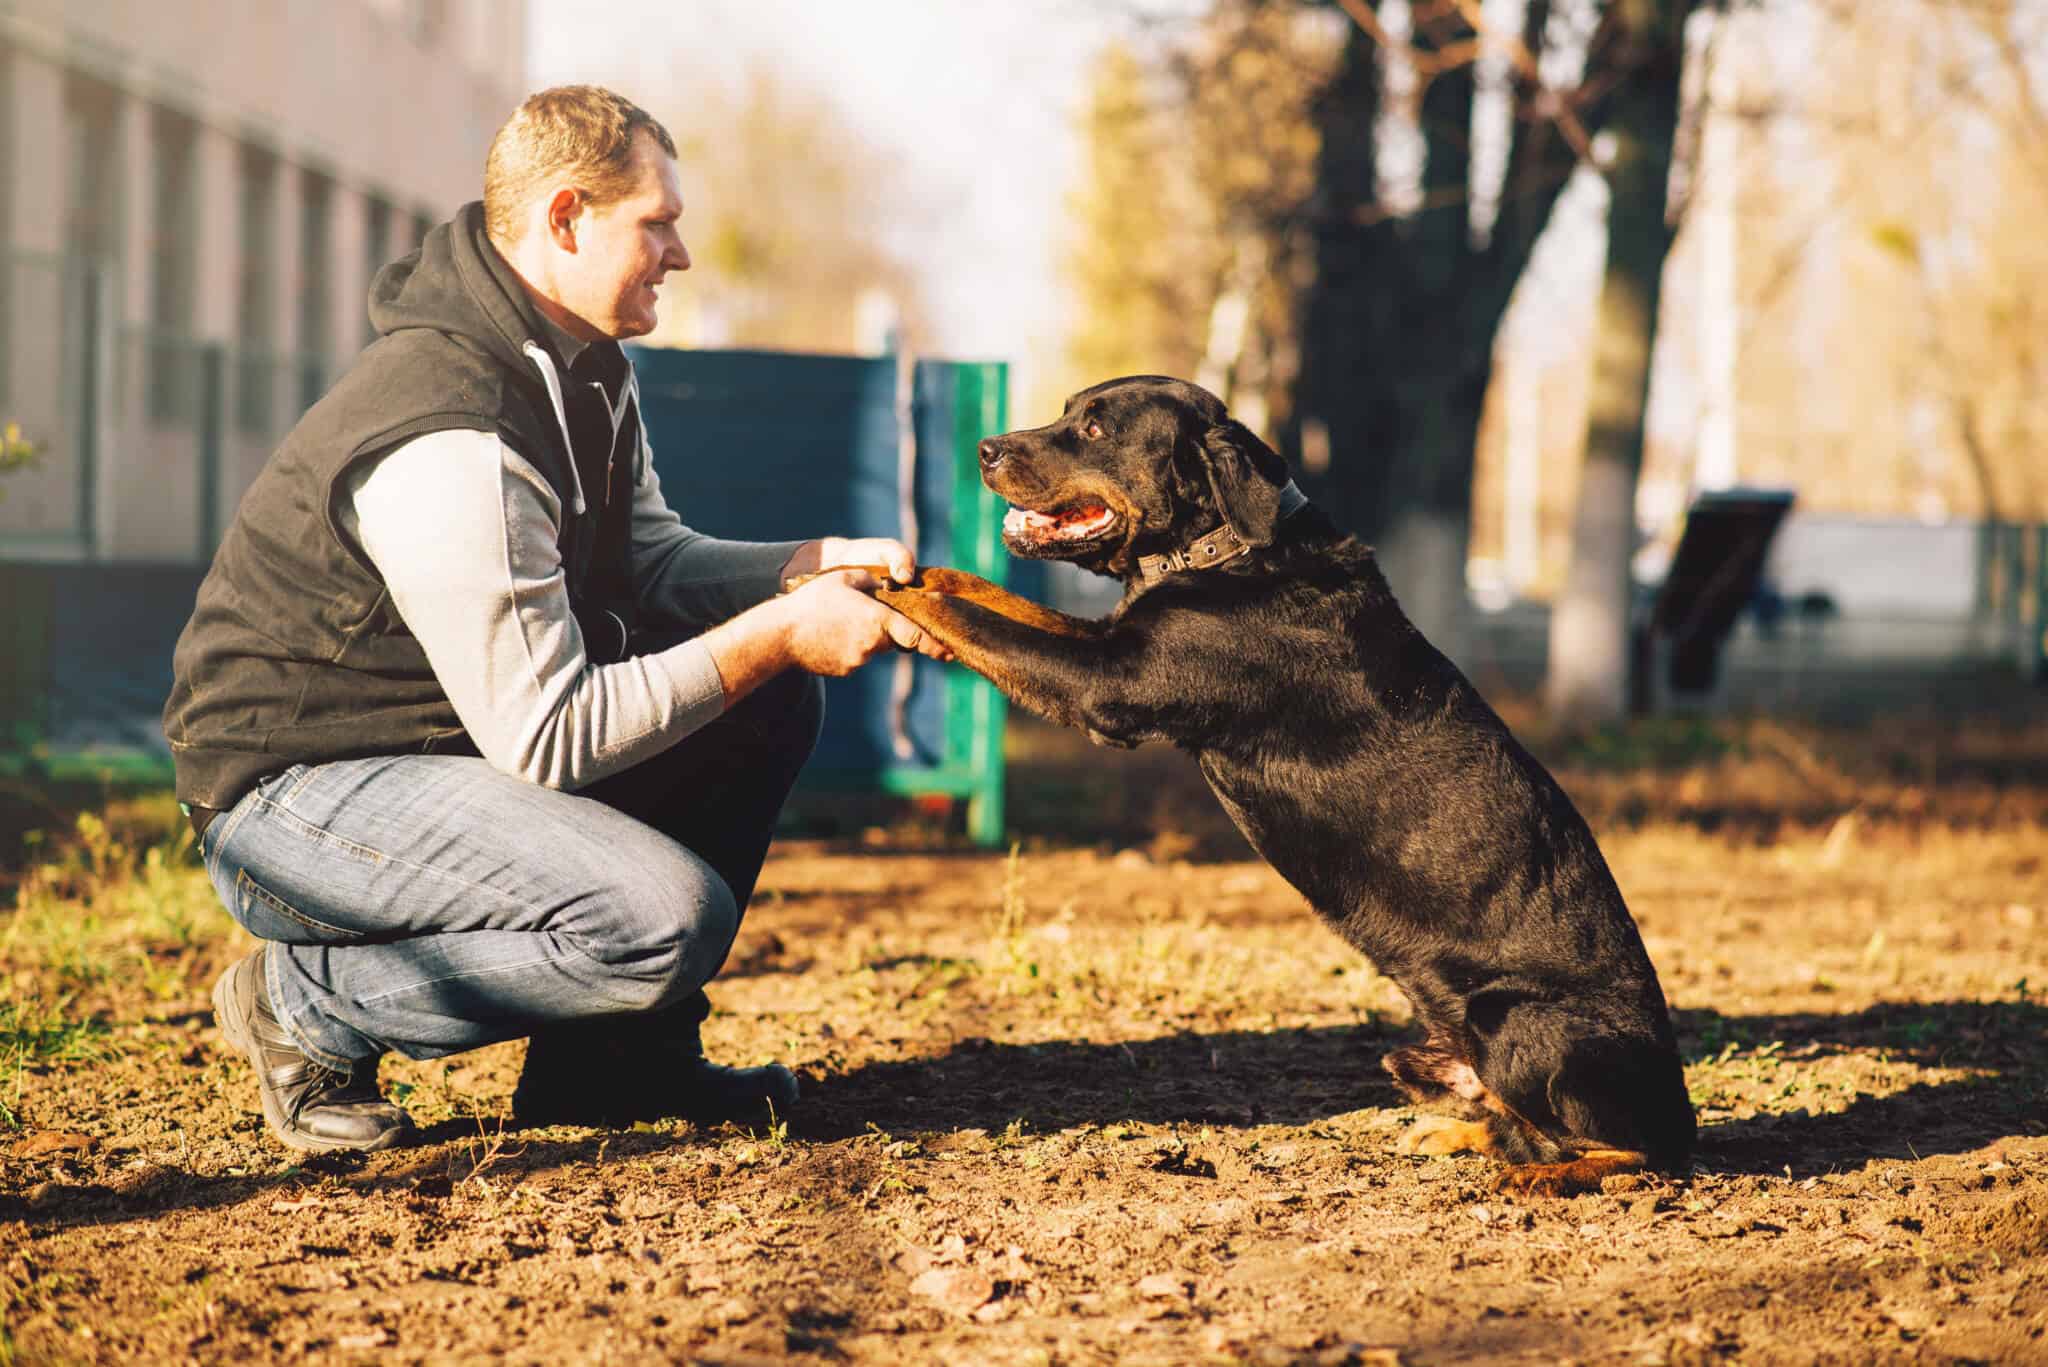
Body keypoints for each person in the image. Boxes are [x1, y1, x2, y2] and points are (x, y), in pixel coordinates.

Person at [162, 85, 946, 1153]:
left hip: (434, 751)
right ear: (567, 217)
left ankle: (613, 1064)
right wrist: (776, 629)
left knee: (766, 702)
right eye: (656, 223)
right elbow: (550, 733)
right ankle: (305, 1001)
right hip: (293, 797)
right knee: (656, 921)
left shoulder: (583, 369)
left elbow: (654, 557)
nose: (679, 254)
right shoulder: (454, 428)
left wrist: (804, 567)